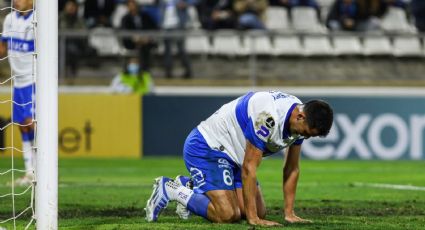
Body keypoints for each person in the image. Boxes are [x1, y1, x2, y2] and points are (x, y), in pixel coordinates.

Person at [145, 91, 333, 226]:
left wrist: (289, 213)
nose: (305, 137)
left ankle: (191, 185)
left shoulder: (300, 118)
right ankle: (172, 190)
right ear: (300, 116)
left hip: (234, 157)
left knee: (258, 211)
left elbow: (292, 168)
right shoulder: (267, 118)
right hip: (208, 147)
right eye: (307, 133)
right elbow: (249, 168)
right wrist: (253, 220)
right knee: (228, 214)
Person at [0, 0, 36, 186]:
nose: (16, 1)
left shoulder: (38, 20)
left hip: (34, 79)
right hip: (18, 81)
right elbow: (3, 48)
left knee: (33, 123)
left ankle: (41, 169)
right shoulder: (9, 19)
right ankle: (29, 172)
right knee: (22, 124)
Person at [157, 0, 194, 79]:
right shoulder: (162, 2)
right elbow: (159, 11)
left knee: (181, 50)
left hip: (178, 26)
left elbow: (193, 2)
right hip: (166, 27)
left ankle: (188, 71)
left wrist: (185, 4)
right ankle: (168, 72)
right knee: (167, 51)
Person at [121, 0, 158, 73]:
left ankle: (144, 70)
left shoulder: (145, 16)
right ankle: (137, 70)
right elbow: (124, 32)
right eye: (130, 6)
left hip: (145, 42)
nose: (132, 8)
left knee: (145, 47)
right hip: (131, 42)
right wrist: (135, 38)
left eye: (134, 5)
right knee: (141, 47)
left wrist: (147, 38)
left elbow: (154, 28)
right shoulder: (125, 18)